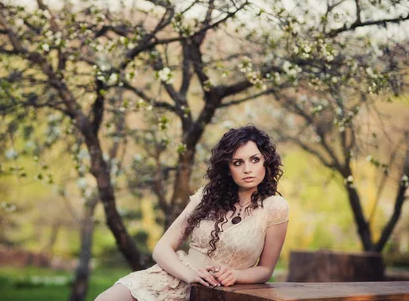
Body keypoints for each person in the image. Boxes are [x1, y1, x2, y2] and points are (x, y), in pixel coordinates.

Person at [96, 125, 289, 301]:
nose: (247, 169)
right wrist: (190, 275)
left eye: (254, 160)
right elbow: (161, 248)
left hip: (222, 291)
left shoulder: (275, 207)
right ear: (228, 169)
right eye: (237, 162)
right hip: (177, 277)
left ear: (266, 161)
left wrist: (235, 275)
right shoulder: (207, 196)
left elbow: (265, 270)